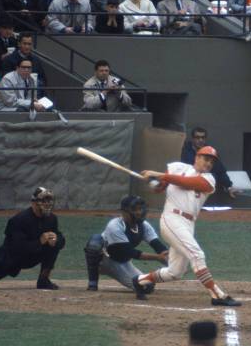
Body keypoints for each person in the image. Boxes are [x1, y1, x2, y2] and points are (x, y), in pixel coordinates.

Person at [133, 146, 242, 307]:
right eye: (206, 159)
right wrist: (153, 182)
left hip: (189, 223)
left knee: (175, 272)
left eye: (211, 161)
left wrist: (158, 174)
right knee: (197, 255)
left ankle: (139, 281)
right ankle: (217, 294)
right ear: (197, 157)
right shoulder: (178, 168)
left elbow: (186, 182)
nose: (208, 163)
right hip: (172, 218)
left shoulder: (209, 179)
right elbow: (159, 188)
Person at [84, 195, 168, 292]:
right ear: (123, 212)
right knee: (95, 241)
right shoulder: (115, 226)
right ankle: (93, 283)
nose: (139, 212)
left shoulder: (144, 225)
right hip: (105, 260)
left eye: (141, 209)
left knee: (146, 286)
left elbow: (157, 245)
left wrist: (172, 261)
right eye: (135, 210)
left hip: (123, 261)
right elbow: (129, 252)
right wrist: (158, 257)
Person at [180, 127, 239, 198]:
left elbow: (220, 171)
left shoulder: (210, 152)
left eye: (203, 137)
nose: (200, 140)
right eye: (197, 137)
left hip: (206, 186)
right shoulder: (185, 151)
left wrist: (229, 187)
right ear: (193, 139)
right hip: (188, 185)